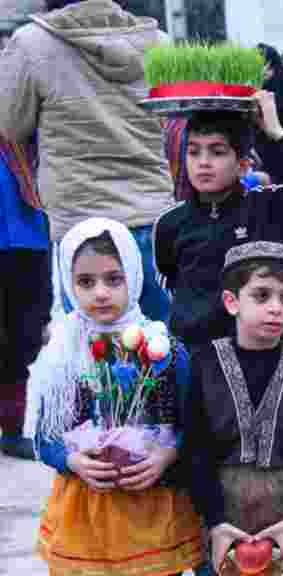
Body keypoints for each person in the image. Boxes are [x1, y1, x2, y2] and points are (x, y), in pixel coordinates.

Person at [32, 218, 202, 575]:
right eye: (85, 282)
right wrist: (72, 461)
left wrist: (167, 455)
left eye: (114, 278)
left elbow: (195, 426)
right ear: (67, 283)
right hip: (85, 514)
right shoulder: (63, 353)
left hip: (150, 510)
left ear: (134, 276)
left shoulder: (163, 348)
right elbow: (45, 438)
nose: (101, 293)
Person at [0, 0, 174, 322]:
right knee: (162, 345)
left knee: (92, 354)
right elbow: (174, 122)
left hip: (79, 222)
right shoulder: (159, 44)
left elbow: (11, 125)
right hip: (153, 214)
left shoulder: (31, 43)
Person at [185, 241, 283, 575]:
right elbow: (196, 450)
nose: (276, 308)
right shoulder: (205, 363)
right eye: (262, 296)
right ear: (232, 301)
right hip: (222, 514)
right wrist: (215, 521)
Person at [154, 91, 283, 349]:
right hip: (199, 365)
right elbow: (173, 289)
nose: (203, 163)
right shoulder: (170, 224)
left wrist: (277, 133)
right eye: (194, 152)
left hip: (268, 357)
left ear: (243, 165)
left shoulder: (271, 207)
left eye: (217, 152)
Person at [0, 137, 50, 460]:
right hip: (23, 236)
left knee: (23, 338)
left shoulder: (22, 121)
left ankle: (12, 430)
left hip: (27, 236)